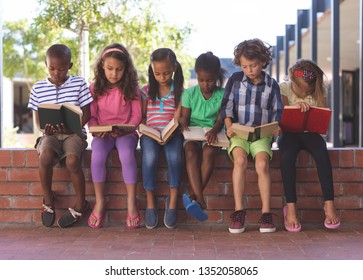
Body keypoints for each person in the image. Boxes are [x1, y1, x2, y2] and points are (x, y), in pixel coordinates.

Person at [27, 43, 93, 228]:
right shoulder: (38, 88)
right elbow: (38, 120)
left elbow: (87, 113)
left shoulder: (79, 83)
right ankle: (48, 198)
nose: (57, 73)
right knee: (45, 155)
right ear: (46, 65)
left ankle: (81, 203)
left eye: (62, 69)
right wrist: (44, 130)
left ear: (70, 66)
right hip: (51, 134)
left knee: (72, 161)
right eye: (52, 68)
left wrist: (75, 126)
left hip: (74, 134)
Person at [220, 38, 282, 234]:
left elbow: (277, 112)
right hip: (238, 133)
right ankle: (238, 211)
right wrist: (229, 127)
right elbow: (226, 107)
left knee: (262, 164)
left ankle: (266, 213)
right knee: (239, 161)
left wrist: (276, 128)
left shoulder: (272, 85)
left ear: (263, 61)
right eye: (245, 66)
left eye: (253, 65)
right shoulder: (235, 80)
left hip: (261, 135)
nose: (249, 70)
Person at [278, 59, 340, 231]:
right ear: (292, 81)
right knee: (287, 157)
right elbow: (280, 113)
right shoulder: (283, 88)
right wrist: (295, 107)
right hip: (289, 134)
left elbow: (323, 115)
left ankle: (329, 204)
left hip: (311, 134)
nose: (305, 94)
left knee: (322, 154)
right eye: (301, 90)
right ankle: (290, 207)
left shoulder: (320, 90)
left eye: (309, 91)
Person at [87, 43, 142, 229]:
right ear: (102, 66)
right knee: (97, 157)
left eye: (119, 69)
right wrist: (96, 128)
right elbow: (92, 116)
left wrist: (128, 128)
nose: (114, 74)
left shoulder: (132, 88)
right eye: (110, 69)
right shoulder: (94, 88)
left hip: (126, 133)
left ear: (126, 69)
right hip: (103, 134)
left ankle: (131, 203)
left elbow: (136, 116)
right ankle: (100, 201)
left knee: (127, 155)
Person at [140, 48, 184, 229]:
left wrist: (172, 130)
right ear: (151, 70)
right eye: (157, 73)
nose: (162, 77)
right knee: (149, 157)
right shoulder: (145, 90)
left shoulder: (180, 91)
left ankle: (172, 201)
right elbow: (142, 117)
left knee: (175, 158)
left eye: (166, 73)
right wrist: (146, 129)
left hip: (172, 134)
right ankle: (151, 202)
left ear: (174, 68)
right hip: (150, 134)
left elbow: (179, 118)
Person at [180, 52, 226, 222]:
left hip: (214, 132)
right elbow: (185, 117)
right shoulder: (190, 93)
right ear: (196, 76)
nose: (205, 85)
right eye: (201, 80)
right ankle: (199, 199)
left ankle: (195, 197)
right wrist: (183, 123)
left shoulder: (222, 94)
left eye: (210, 80)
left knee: (209, 152)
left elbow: (222, 119)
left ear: (217, 76)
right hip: (193, 133)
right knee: (190, 151)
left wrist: (214, 130)